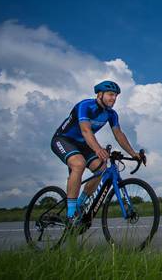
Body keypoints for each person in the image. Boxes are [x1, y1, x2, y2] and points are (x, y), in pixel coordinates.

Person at [50, 80, 145, 224]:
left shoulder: (111, 114)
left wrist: (133, 153)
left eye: (116, 96)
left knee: (101, 168)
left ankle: (81, 203)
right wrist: (98, 149)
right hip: (64, 140)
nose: (113, 98)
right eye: (110, 94)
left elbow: (118, 134)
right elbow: (86, 130)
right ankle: (70, 214)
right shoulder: (85, 106)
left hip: (83, 144)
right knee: (79, 164)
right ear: (100, 94)